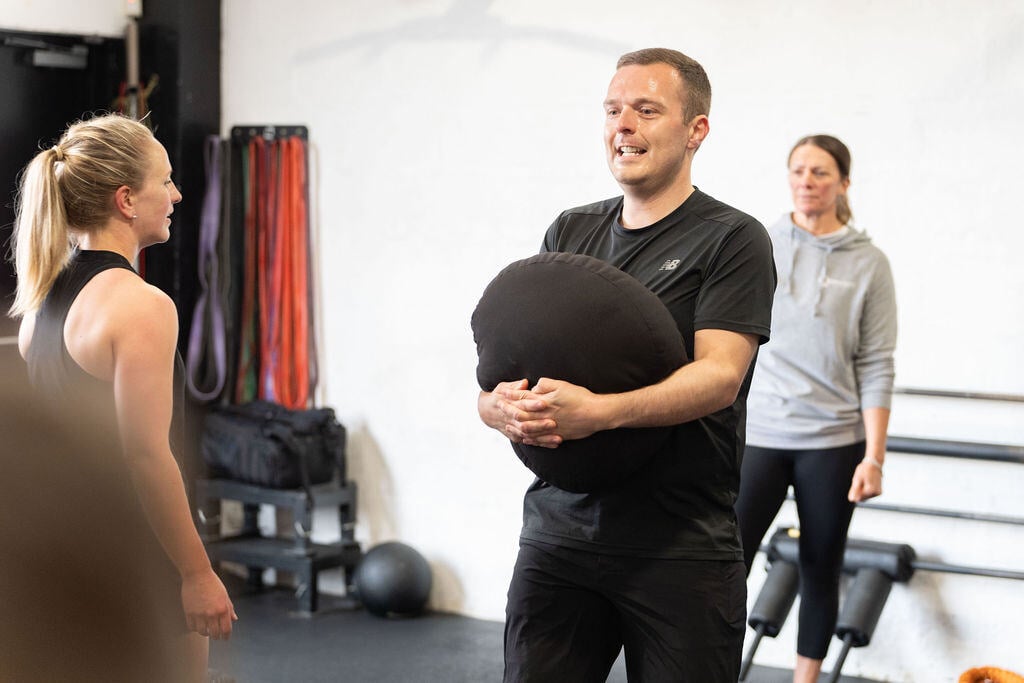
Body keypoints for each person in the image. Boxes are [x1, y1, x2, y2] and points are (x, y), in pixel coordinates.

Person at [477, 48, 777, 681]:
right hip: (559, 535)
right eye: (613, 110)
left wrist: (600, 415)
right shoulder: (570, 231)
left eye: (646, 110)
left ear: (696, 130)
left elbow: (720, 377)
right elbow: (507, 373)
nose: (624, 126)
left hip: (679, 546)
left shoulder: (732, 239)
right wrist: (496, 407)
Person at [7, 113, 237, 682]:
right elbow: (146, 455)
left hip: (62, 555)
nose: (177, 194)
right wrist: (195, 572)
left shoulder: (40, 302)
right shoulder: (141, 305)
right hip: (135, 553)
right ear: (127, 200)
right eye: (166, 181)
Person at [735, 134, 897, 683]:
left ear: (843, 184)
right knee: (724, 562)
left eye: (821, 172)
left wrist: (873, 456)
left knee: (821, 565)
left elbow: (876, 362)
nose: (807, 180)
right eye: (799, 170)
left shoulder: (869, 263)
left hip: (833, 442)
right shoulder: (758, 244)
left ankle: (806, 680)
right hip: (758, 433)